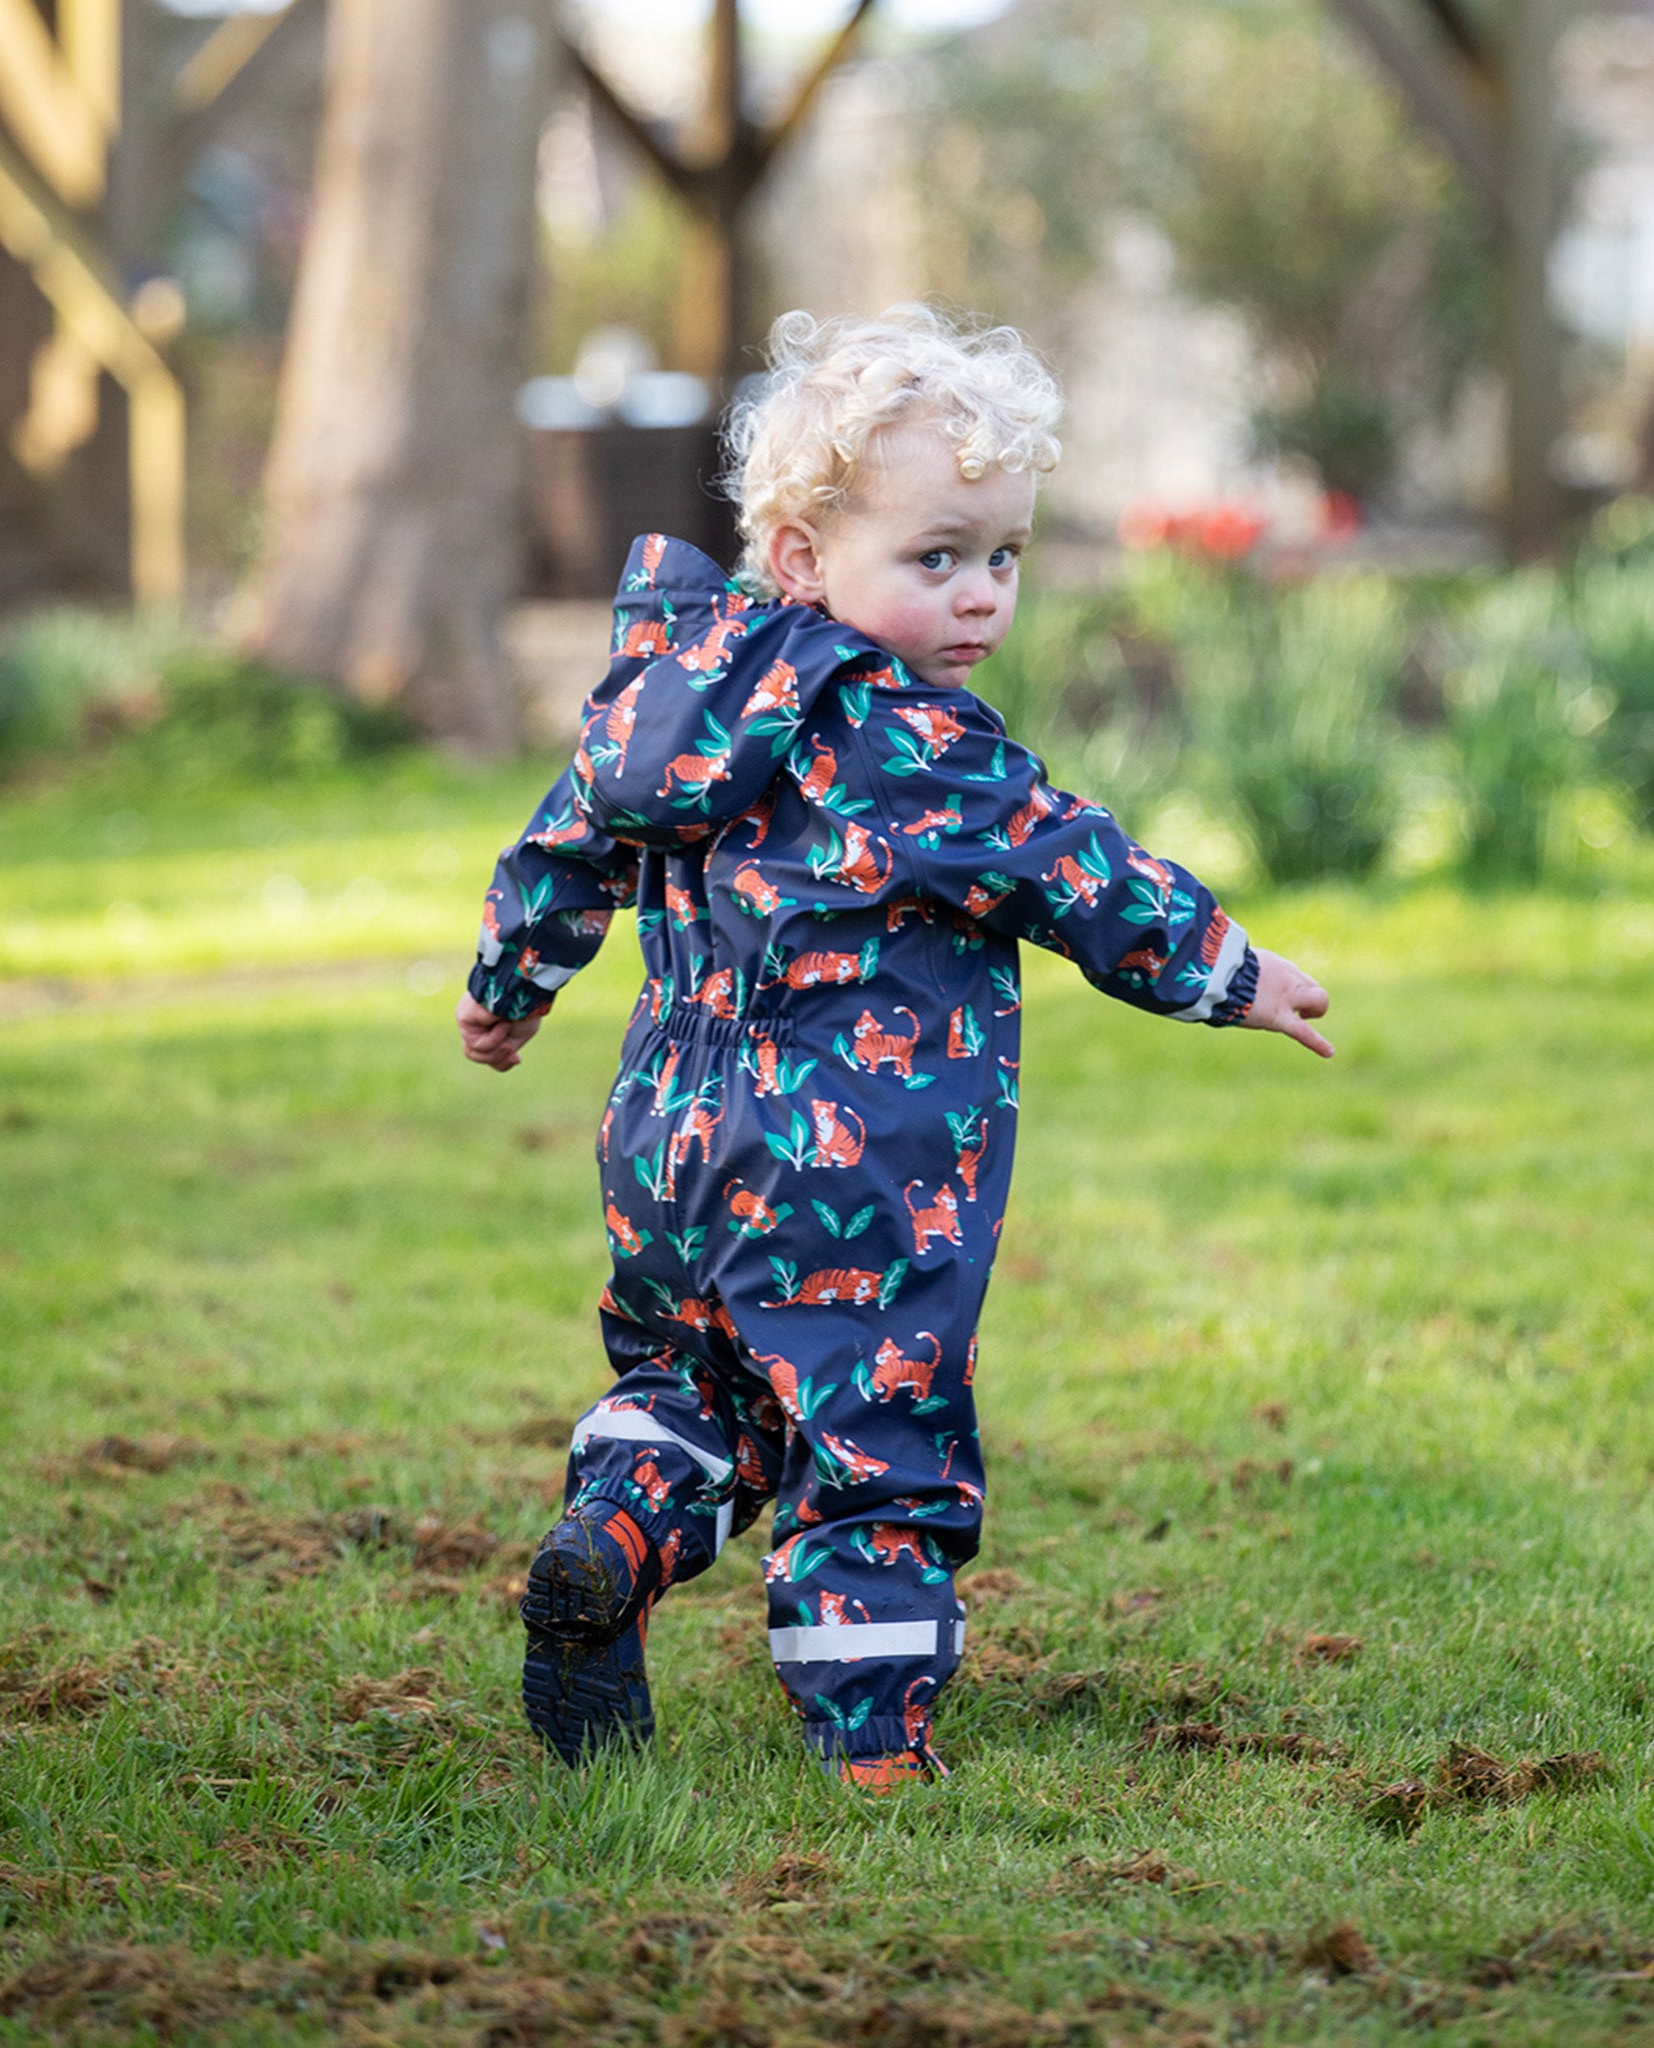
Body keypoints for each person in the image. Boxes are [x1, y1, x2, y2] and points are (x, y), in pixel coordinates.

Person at [457, 306, 1332, 1792]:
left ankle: (612, 1535)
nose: (981, 596)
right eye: (934, 558)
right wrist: (1227, 971)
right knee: (875, 1420)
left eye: (1001, 555)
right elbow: (1067, 866)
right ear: (801, 558)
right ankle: (871, 1736)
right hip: (857, 1154)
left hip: (667, 1140)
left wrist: (513, 978)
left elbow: (568, 834)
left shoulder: (669, 693)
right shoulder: (905, 736)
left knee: (693, 1386)